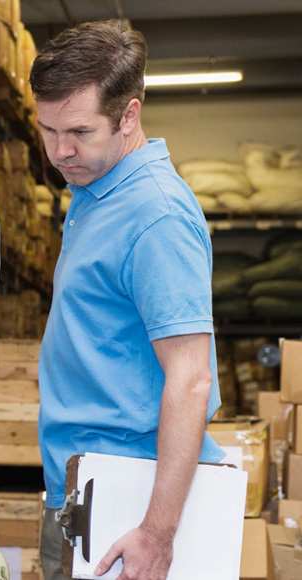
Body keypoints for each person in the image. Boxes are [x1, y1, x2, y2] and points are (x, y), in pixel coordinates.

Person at [29, 20, 223, 580]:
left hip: (126, 505)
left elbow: (191, 378)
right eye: (47, 129)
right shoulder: (95, 190)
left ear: (129, 115)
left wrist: (157, 535)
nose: (60, 151)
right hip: (83, 488)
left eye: (80, 132)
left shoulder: (155, 214)